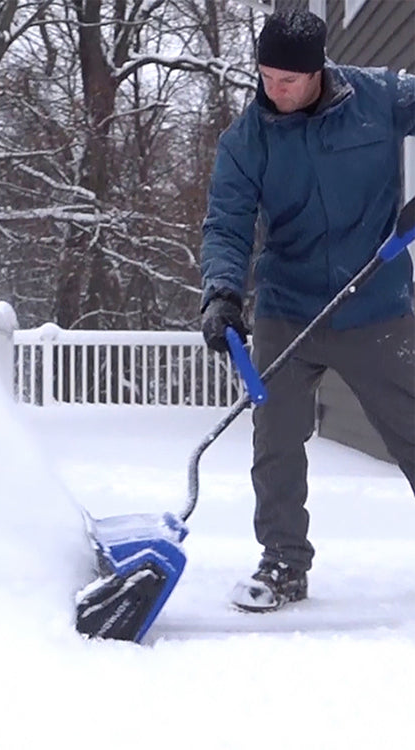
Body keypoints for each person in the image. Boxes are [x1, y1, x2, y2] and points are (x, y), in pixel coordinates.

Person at [200, 9, 415, 612]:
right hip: (287, 306)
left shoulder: (381, 97)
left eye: (288, 80)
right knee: (276, 443)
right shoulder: (247, 140)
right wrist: (221, 292)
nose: (275, 90)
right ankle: (284, 564)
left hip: (376, 304)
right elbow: (227, 223)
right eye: (266, 77)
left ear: (318, 70)